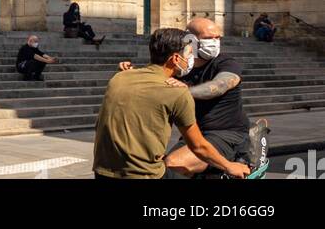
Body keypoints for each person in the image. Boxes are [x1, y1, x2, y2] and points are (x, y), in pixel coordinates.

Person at [93, 27, 250, 180]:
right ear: (175, 58)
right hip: (144, 174)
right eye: (189, 54)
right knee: (173, 164)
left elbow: (219, 86)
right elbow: (199, 147)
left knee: (174, 162)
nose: (191, 58)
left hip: (102, 172)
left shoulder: (119, 78)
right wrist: (229, 166)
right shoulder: (175, 91)